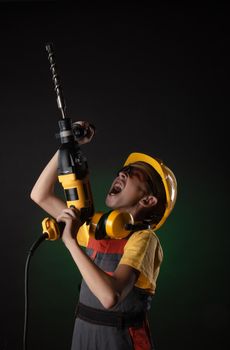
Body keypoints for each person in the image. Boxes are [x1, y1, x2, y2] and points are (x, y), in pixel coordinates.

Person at [30, 121, 177, 350]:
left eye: (132, 173)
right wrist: (67, 146)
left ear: (147, 200)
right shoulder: (98, 229)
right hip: (83, 335)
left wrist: (71, 243)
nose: (121, 173)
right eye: (122, 170)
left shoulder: (144, 240)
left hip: (120, 340)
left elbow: (110, 297)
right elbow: (40, 195)